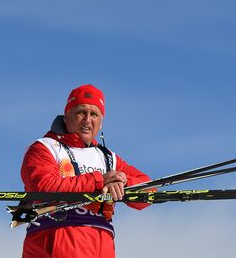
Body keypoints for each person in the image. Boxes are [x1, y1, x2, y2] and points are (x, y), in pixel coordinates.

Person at [21, 84, 151, 258]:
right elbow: (43, 187)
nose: (88, 119)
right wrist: (100, 181)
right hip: (57, 235)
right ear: (66, 116)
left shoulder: (108, 158)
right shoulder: (44, 148)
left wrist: (124, 181)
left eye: (94, 114)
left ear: (101, 122)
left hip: (102, 242)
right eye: (81, 112)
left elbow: (149, 192)